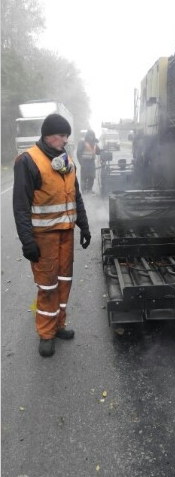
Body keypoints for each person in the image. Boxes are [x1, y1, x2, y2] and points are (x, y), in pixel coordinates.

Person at [13, 113, 92, 357]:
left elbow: (75, 196)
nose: (65, 140)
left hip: (65, 235)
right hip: (43, 237)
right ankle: (46, 334)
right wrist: (27, 241)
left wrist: (84, 226)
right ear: (48, 135)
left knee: (64, 283)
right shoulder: (28, 161)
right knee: (48, 287)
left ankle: (58, 325)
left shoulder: (67, 160)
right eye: (61, 135)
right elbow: (21, 206)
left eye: (67, 135)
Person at [76, 129, 101, 194]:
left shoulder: (94, 143)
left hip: (91, 162)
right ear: (87, 136)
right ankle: (84, 191)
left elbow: (98, 152)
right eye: (90, 135)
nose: (91, 137)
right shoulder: (82, 143)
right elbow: (78, 153)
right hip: (84, 162)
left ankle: (89, 190)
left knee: (91, 177)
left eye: (92, 135)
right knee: (84, 177)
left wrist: (103, 150)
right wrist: (81, 163)